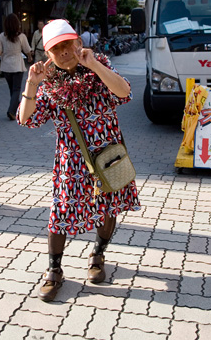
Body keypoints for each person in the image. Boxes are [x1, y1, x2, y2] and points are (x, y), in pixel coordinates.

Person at [18, 19, 140, 302]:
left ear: (79, 43)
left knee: (109, 206)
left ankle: (97, 256)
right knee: (60, 214)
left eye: (67, 45)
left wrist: (95, 65)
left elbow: (124, 92)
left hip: (109, 156)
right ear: (47, 54)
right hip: (72, 162)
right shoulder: (48, 85)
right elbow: (26, 119)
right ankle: (54, 270)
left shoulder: (100, 68)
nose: (63, 53)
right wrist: (31, 84)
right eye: (55, 49)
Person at [0, 13, 32, 120]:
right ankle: (12, 111)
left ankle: (16, 110)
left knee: (12, 89)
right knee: (16, 89)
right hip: (17, 65)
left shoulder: (2, 36)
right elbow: (27, 50)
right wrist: (30, 57)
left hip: (6, 66)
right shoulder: (21, 36)